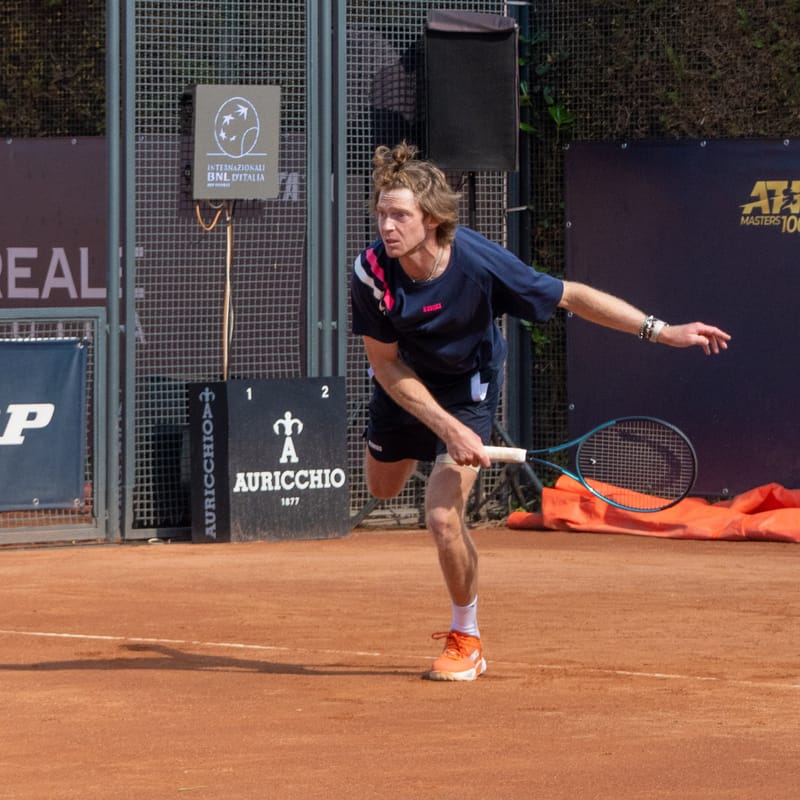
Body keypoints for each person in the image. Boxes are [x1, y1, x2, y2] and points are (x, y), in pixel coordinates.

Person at [350, 141, 731, 682]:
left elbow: (570, 295)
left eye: (399, 215)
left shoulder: (480, 263)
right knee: (383, 488)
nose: (387, 226)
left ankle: (467, 638)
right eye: (382, 214)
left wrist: (661, 330)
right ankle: (423, 447)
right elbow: (385, 366)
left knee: (440, 516)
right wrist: (443, 429)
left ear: (431, 220)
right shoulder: (371, 273)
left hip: (469, 387)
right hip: (406, 385)